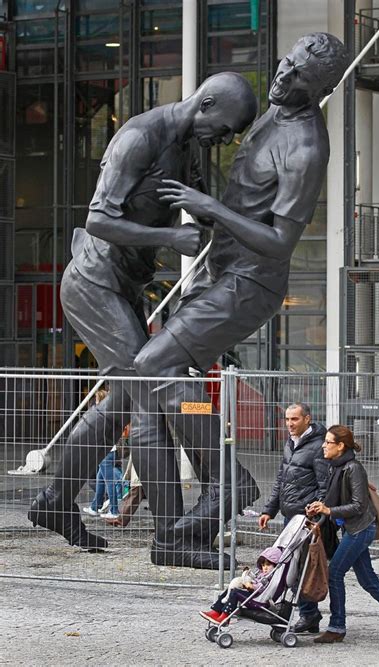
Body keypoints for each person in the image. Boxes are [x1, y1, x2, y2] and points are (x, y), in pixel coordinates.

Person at [135, 33, 349, 568]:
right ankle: (184, 526)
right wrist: (205, 202)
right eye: (286, 63)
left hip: (248, 284)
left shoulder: (306, 147)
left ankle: (227, 487)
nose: (282, 76)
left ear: (323, 88)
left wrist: (208, 205)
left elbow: (280, 242)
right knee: (155, 375)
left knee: (151, 365)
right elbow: (245, 202)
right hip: (220, 272)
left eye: (298, 76)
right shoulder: (271, 112)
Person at [28, 72, 258, 558]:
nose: (227, 138)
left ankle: (53, 500)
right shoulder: (139, 136)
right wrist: (169, 239)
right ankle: (169, 538)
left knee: (121, 404)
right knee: (150, 395)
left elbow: (204, 207)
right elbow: (97, 219)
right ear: (206, 103)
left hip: (124, 288)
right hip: (93, 284)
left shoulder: (188, 146)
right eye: (227, 127)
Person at [306, 425, 379, 644]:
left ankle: (337, 626)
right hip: (352, 528)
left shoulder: (353, 468)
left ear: (341, 446)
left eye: (328, 442)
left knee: (335, 572)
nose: (323, 446)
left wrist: (329, 510)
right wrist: (320, 506)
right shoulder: (335, 466)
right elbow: (334, 498)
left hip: (360, 529)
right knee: (368, 579)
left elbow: (359, 506)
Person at [258, 402, 328, 634]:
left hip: (305, 520)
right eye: (287, 419)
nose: (289, 424)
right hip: (291, 517)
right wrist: (269, 509)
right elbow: (282, 479)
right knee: (292, 566)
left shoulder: (318, 446)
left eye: (294, 419)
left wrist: (314, 515)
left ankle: (309, 614)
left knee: (301, 567)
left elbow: (324, 486)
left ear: (307, 419)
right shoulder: (291, 443)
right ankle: (310, 614)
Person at [199, 546, 282, 625]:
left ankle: (225, 616)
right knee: (231, 588)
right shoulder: (262, 574)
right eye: (263, 565)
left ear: (275, 565)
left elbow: (259, 587)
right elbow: (256, 580)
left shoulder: (269, 578)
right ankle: (216, 610)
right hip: (254, 595)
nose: (265, 568)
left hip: (258, 599)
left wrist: (250, 585)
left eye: (268, 565)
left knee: (235, 592)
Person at [82, 436, 129, 520]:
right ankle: (94, 507)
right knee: (100, 479)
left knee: (109, 482)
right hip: (111, 451)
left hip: (106, 452)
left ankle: (114, 511)